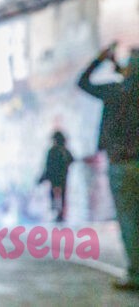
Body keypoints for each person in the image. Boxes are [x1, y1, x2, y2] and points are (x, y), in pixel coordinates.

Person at [77, 42, 139, 291]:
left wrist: (101, 59)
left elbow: (83, 83)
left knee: (129, 221)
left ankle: (136, 275)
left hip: (122, 165)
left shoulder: (116, 91)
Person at [38, 130, 74, 222]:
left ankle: (59, 213)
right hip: (60, 177)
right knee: (60, 196)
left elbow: (48, 165)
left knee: (57, 196)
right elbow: (71, 160)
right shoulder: (63, 151)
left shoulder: (55, 151)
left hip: (57, 177)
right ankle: (59, 213)